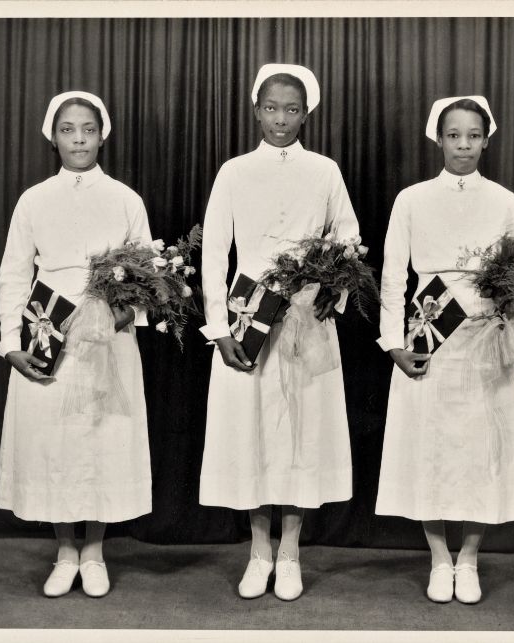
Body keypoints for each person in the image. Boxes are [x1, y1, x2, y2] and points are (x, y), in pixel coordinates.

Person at [199, 64, 360, 601]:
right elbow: (214, 252)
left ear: (305, 114)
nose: (281, 119)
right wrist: (218, 327)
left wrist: (332, 289)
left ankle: (290, 550)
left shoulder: (325, 171)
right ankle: (258, 550)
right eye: (271, 108)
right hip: (248, 317)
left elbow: (348, 236)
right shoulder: (234, 172)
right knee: (252, 431)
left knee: (300, 431)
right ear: (256, 111)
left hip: (305, 316)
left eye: (292, 109)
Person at [0, 91, 152, 598]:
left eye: (88, 129)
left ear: (102, 135)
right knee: (55, 444)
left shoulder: (125, 199)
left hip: (107, 335)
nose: (79, 139)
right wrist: (10, 342)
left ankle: (95, 552)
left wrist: (125, 314)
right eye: (68, 130)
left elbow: (149, 274)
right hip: (49, 331)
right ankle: (65, 551)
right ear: (53, 137)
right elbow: (14, 273)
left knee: (103, 441)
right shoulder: (34, 200)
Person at [376, 96, 514, 604]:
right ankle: (439, 558)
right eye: (453, 135)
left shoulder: (505, 202)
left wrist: (512, 331)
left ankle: (470, 559)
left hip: (484, 338)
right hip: (428, 335)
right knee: (431, 448)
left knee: (481, 451)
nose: (463, 145)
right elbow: (393, 276)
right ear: (438, 139)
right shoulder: (412, 199)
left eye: (473, 136)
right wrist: (393, 344)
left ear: (486, 140)